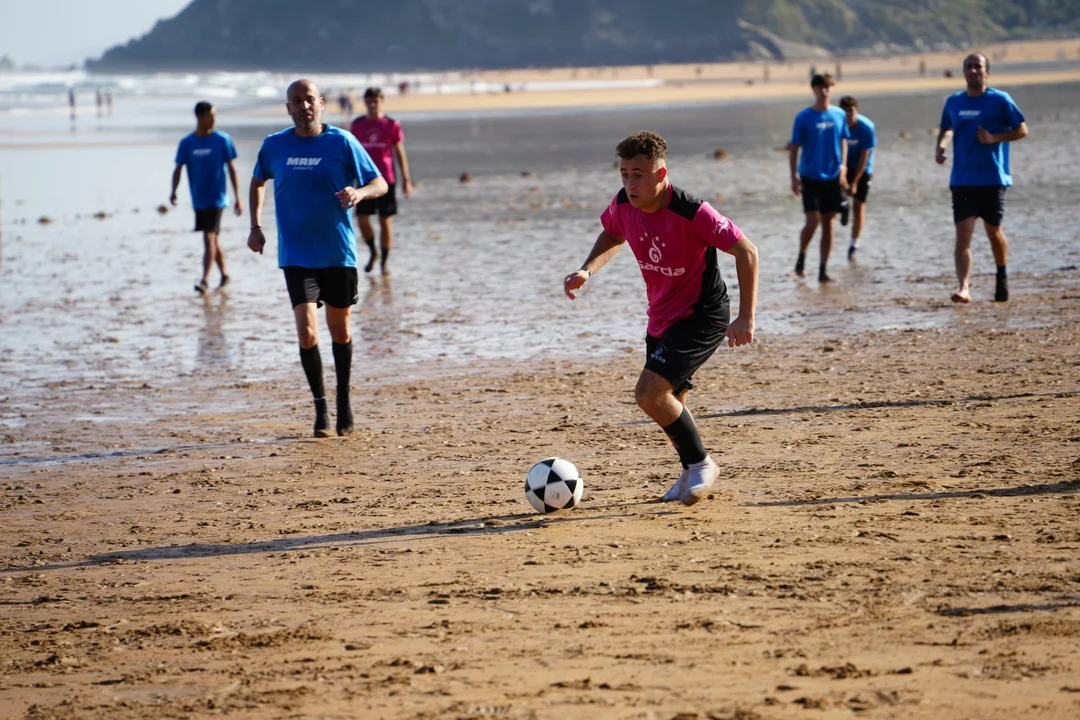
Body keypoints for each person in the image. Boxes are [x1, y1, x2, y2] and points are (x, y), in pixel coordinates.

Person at [563, 131, 758, 507]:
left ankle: (701, 464)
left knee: (649, 393)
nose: (630, 183)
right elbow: (612, 235)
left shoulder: (692, 211)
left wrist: (745, 317)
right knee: (672, 402)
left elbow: (746, 252)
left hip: (702, 314)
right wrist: (587, 270)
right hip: (661, 317)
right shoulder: (623, 204)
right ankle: (689, 472)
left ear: (661, 174)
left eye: (638, 174)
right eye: (624, 174)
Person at [248, 79, 387, 437]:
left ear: (321, 103)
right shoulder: (274, 145)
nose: (304, 106)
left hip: (337, 252)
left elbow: (380, 184)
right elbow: (258, 181)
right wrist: (255, 226)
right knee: (307, 331)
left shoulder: (343, 142)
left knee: (340, 331)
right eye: (297, 101)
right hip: (296, 253)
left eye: (309, 99)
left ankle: (344, 400)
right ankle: (321, 409)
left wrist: (359, 193)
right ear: (288, 108)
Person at [936, 52, 1028, 303]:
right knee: (963, 232)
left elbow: (1022, 130)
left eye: (978, 66)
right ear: (964, 72)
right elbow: (946, 128)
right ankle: (964, 287)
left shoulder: (1000, 100)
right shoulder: (953, 102)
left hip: (992, 178)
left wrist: (994, 138)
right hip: (962, 179)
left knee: (993, 231)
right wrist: (941, 147)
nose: (973, 70)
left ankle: (1001, 275)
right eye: (969, 66)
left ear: (987, 72)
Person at [170, 101, 242, 293]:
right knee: (213, 239)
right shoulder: (187, 143)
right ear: (199, 117)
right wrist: (173, 191)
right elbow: (178, 168)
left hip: (217, 198)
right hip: (198, 199)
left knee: (209, 237)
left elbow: (232, 169)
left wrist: (238, 197)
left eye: (214, 115)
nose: (214, 119)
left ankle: (205, 280)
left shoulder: (222, 140)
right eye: (210, 115)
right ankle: (225, 274)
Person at [789, 73, 850, 282]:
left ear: (831, 89)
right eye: (820, 88)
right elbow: (794, 148)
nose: (824, 91)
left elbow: (843, 141)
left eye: (827, 87)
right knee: (812, 221)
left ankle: (823, 270)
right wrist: (794, 177)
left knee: (829, 225)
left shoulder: (839, 114)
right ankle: (801, 259)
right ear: (813, 90)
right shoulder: (803, 117)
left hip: (832, 177)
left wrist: (843, 167)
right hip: (810, 175)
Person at [349, 87, 413, 274]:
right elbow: (351, 152)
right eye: (369, 101)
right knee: (362, 219)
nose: (372, 105)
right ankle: (373, 251)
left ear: (382, 102)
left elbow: (399, 152)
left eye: (375, 101)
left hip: (386, 179)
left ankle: (384, 262)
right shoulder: (358, 124)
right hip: (363, 180)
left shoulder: (391, 124)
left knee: (385, 221)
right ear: (365, 102)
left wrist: (406, 179)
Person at [838, 96, 876, 261]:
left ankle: (854, 243)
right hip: (843, 165)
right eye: (845, 111)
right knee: (835, 199)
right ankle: (843, 206)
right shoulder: (838, 125)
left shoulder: (866, 127)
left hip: (862, 168)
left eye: (851, 111)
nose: (848, 115)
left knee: (859, 206)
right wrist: (842, 174)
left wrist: (854, 183)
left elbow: (864, 157)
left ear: (857, 111)